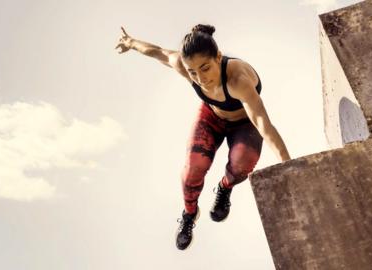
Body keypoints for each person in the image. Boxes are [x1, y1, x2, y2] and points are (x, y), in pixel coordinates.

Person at [115, 24, 291, 250]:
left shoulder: (238, 79)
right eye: (192, 72)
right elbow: (158, 52)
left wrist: (289, 165)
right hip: (212, 116)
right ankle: (189, 214)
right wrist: (130, 43)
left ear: (218, 57)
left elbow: (262, 124)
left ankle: (224, 187)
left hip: (244, 124)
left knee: (241, 164)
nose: (200, 78)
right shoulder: (182, 65)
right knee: (192, 171)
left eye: (205, 68)